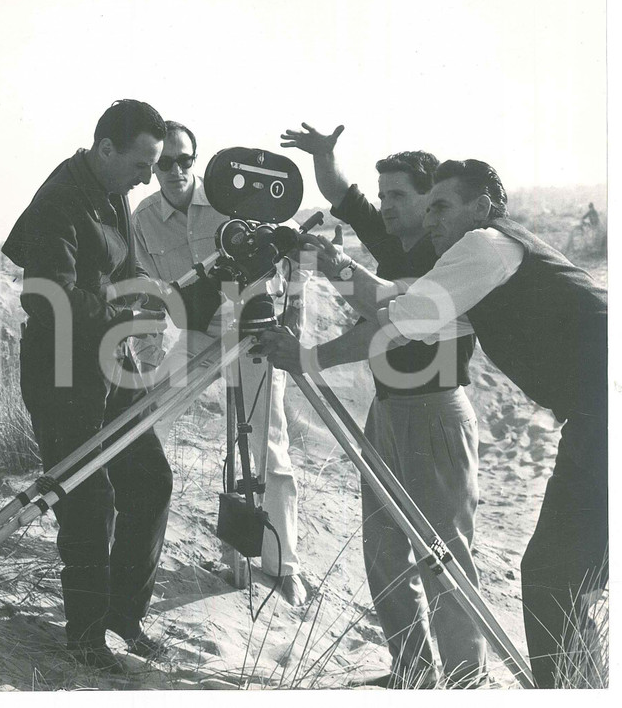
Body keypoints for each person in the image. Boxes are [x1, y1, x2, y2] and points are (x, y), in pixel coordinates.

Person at [254, 158, 607, 689]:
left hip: (605, 415)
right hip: (592, 419)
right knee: (560, 579)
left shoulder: (486, 246)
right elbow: (403, 314)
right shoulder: (484, 268)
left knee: (554, 579)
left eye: (441, 205)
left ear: (482, 208)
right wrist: (330, 265)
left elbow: (403, 318)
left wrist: (311, 345)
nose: (430, 217)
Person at [278, 124, 484, 687]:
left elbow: (387, 322)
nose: (386, 206)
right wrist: (326, 156)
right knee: (386, 551)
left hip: (435, 411)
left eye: (400, 196)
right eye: (385, 194)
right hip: (389, 410)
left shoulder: (453, 254)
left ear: (432, 199)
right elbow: (345, 197)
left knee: (444, 558)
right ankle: (413, 674)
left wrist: (328, 269)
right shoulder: (394, 241)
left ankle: (468, 682)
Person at [2, 100, 172, 673]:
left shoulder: (111, 188)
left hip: (110, 361)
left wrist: (144, 294)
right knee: (87, 500)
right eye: (142, 163)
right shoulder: (59, 200)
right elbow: (45, 297)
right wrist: (124, 308)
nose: (149, 176)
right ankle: (85, 636)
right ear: (106, 149)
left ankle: (124, 614)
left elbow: (119, 269)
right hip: (61, 372)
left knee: (149, 479)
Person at [131, 120, 307, 606]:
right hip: (197, 335)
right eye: (163, 163)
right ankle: (128, 549)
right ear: (152, 168)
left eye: (184, 160)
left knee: (267, 445)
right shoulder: (142, 220)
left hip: (252, 334)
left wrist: (291, 323)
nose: (174, 171)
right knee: (144, 430)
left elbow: (290, 255)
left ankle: (282, 565)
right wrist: (149, 372)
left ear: (196, 159)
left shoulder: (235, 199)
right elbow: (149, 300)